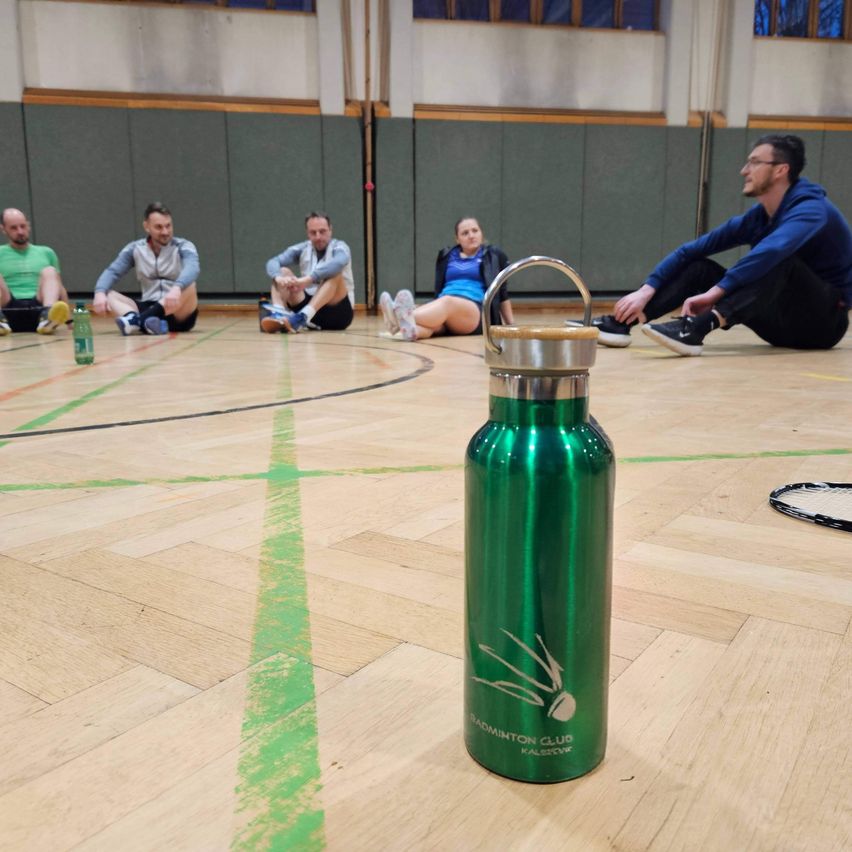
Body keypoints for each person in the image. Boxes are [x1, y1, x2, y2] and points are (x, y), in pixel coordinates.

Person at [575, 135, 851, 356]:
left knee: (779, 260)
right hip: (778, 324)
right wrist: (647, 289)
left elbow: (772, 252)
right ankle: (622, 324)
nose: (745, 170)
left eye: (755, 162)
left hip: (822, 325)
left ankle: (696, 329)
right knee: (698, 267)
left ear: (781, 169)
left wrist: (715, 294)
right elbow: (690, 250)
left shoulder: (812, 209)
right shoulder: (758, 217)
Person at [379, 217, 513, 341]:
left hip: (474, 311)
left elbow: (502, 293)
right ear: (457, 239)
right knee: (433, 326)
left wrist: (511, 326)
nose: (471, 235)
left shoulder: (494, 255)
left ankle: (398, 316)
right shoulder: (447, 255)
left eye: (475, 231)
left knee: (447, 302)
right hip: (444, 304)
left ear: (481, 233)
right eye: (465, 233)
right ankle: (412, 331)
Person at [93, 202, 200, 335]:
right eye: (159, 227)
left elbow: (193, 268)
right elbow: (112, 271)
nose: (165, 232)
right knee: (108, 293)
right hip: (148, 305)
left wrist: (177, 288)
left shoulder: (184, 246)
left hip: (177, 311)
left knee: (190, 285)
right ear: (146, 226)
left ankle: (137, 321)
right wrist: (99, 293)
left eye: (168, 226)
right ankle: (146, 323)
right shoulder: (134, 248)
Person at [261, 212, 354, 333]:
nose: (318, 237)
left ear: (330, 230)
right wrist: (278, 278)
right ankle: (279, 315)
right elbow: (273, 262)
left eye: (322, 231)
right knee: (282, 271)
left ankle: (303, 317)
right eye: (313, 232)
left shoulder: (340, 247)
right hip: (307, 307)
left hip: (338, 313)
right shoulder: (303, 248)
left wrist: (308, 279)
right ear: (307, 233)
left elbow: (338, 263)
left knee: (335, 273)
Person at [0, 208, 70, 335]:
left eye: (23, 226)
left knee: (50, 271)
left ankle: (47, 316)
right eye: (13, 228)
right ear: (3, 229)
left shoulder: (46, 252)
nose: (20, 232)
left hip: (38, 309)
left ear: (28, 226)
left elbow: (59, 286)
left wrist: (70, 321)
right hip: (7, 310)